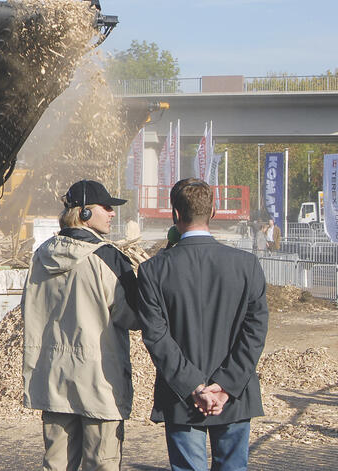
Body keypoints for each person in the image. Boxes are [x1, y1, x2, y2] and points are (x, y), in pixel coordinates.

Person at [137, 178, 268, 471]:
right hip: (234, 396)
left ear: (174, 213)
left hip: (181, 396)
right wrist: (224, 385)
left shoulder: (152, 270)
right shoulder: (247, 265)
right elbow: (255, 331)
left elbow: (156, 336)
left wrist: (194, 386)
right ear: (214, 212)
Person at [22, 179, 139, 471]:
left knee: (57, 466)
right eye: (107, 207)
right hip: (100, 384)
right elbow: (133, 317)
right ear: (85, 213)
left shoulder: (40, 256)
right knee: (102, 464)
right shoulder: (108, 257)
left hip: (52, 382)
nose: (113, 213)